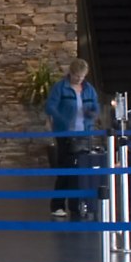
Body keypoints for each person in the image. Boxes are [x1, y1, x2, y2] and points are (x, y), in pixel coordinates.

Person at [45, 57, 100, 221]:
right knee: (65, 171)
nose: (79, 79)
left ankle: (76, 206)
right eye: (77, 76)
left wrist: (92, 114)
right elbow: (50, 107)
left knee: (80, 172)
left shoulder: (89, 90)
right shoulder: (60, 88)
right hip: (65, 135)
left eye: (82, 77)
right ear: (71, 72)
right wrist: (61, 119)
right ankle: (57, 205)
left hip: (84, 135)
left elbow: (95, 107)